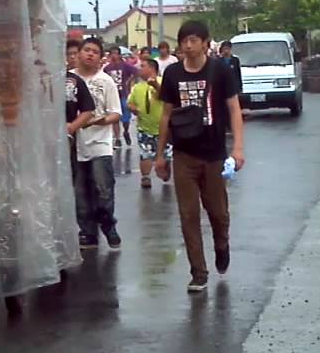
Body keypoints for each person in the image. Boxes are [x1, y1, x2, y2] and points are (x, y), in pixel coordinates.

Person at [155, 21, 245, 293]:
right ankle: (198, 271)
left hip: (214, 154)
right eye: (184, 40)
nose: (188, 45)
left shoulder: (220, 70)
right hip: (184, 153)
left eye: (194, 40)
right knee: (188, 214)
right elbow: (166, 115)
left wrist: (238, 148)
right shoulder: (171, 73)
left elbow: (234, 109)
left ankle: (222, 244)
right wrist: (160, 155)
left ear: (206, 42)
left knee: (218, 212)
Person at [76, 37, 124, 249]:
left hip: (100, 143)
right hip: (75, 143)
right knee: (81, 192)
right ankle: (87, 232)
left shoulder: (106, 81)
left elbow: (116, 114)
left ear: (100, 57)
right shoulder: (68, 80)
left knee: (103, 188)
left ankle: (108, 224)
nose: (90, 54)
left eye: (95, 52)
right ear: (78, 53)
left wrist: (98, 120)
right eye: (86, 50)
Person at [127, 57, 170, 189]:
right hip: (144, 128)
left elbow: (167, 96)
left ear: (152, 68)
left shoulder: (163, 82)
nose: (139, 69)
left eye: (143, 66)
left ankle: (165, 170)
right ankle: (145, 177)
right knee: (145, 153)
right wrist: (132, 108)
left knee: (166, 155)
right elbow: (130, 102)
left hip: (164, 128)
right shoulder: (137, 87)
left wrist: (155, 86)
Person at [64, 38, 96, 179]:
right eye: (68, 53)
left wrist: (71, 127)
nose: (71, 57)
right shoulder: (36, 79)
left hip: (68, 140)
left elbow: (88, 110)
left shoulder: (75, 81)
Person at [105, 46, 137, 147]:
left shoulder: (125, 65)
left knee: (126, 118)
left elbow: (136, 72)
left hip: (123, 94)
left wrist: (129, 81)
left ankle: (126, 131)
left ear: (119, 55)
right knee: (115, 117)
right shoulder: (107, 68)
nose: (114, 56)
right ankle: (117, 138)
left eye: (116, 53)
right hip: (113, 95)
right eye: (112, 53)